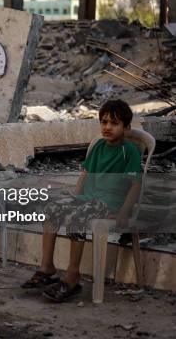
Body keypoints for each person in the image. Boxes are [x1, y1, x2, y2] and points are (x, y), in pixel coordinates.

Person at [22, 99, 142, 302]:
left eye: (114, 123)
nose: (107, 127)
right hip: (89, 199)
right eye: (104, 122)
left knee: (76, 217)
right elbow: (85, 175)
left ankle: (72, 276)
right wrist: (74, 197)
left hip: (110, 204)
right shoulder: (98, 147)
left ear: (126, 127)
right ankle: (47, 267)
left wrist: (124, 212)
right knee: (52, 208)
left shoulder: (129, 151)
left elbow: (135, 185)